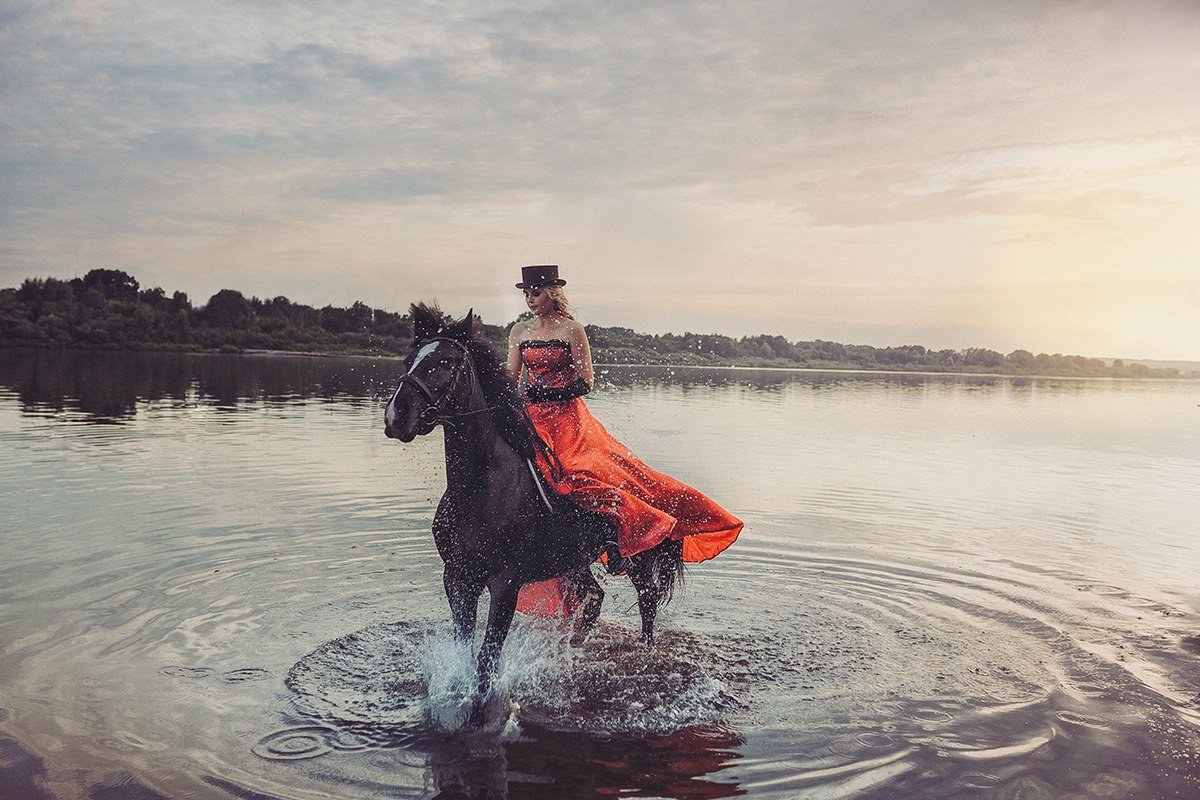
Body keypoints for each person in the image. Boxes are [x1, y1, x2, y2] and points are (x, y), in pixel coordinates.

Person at [506, 265, 742, 614]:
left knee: (578, 472)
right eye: (526, 293)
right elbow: (511, 377)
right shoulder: (519, 330)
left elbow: (586, 381)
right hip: (532, 416)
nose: (530, 298)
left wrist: (549, 393)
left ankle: (614, 540)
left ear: (552, 293)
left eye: (536, 292)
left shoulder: (572, 330)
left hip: (568, 418)